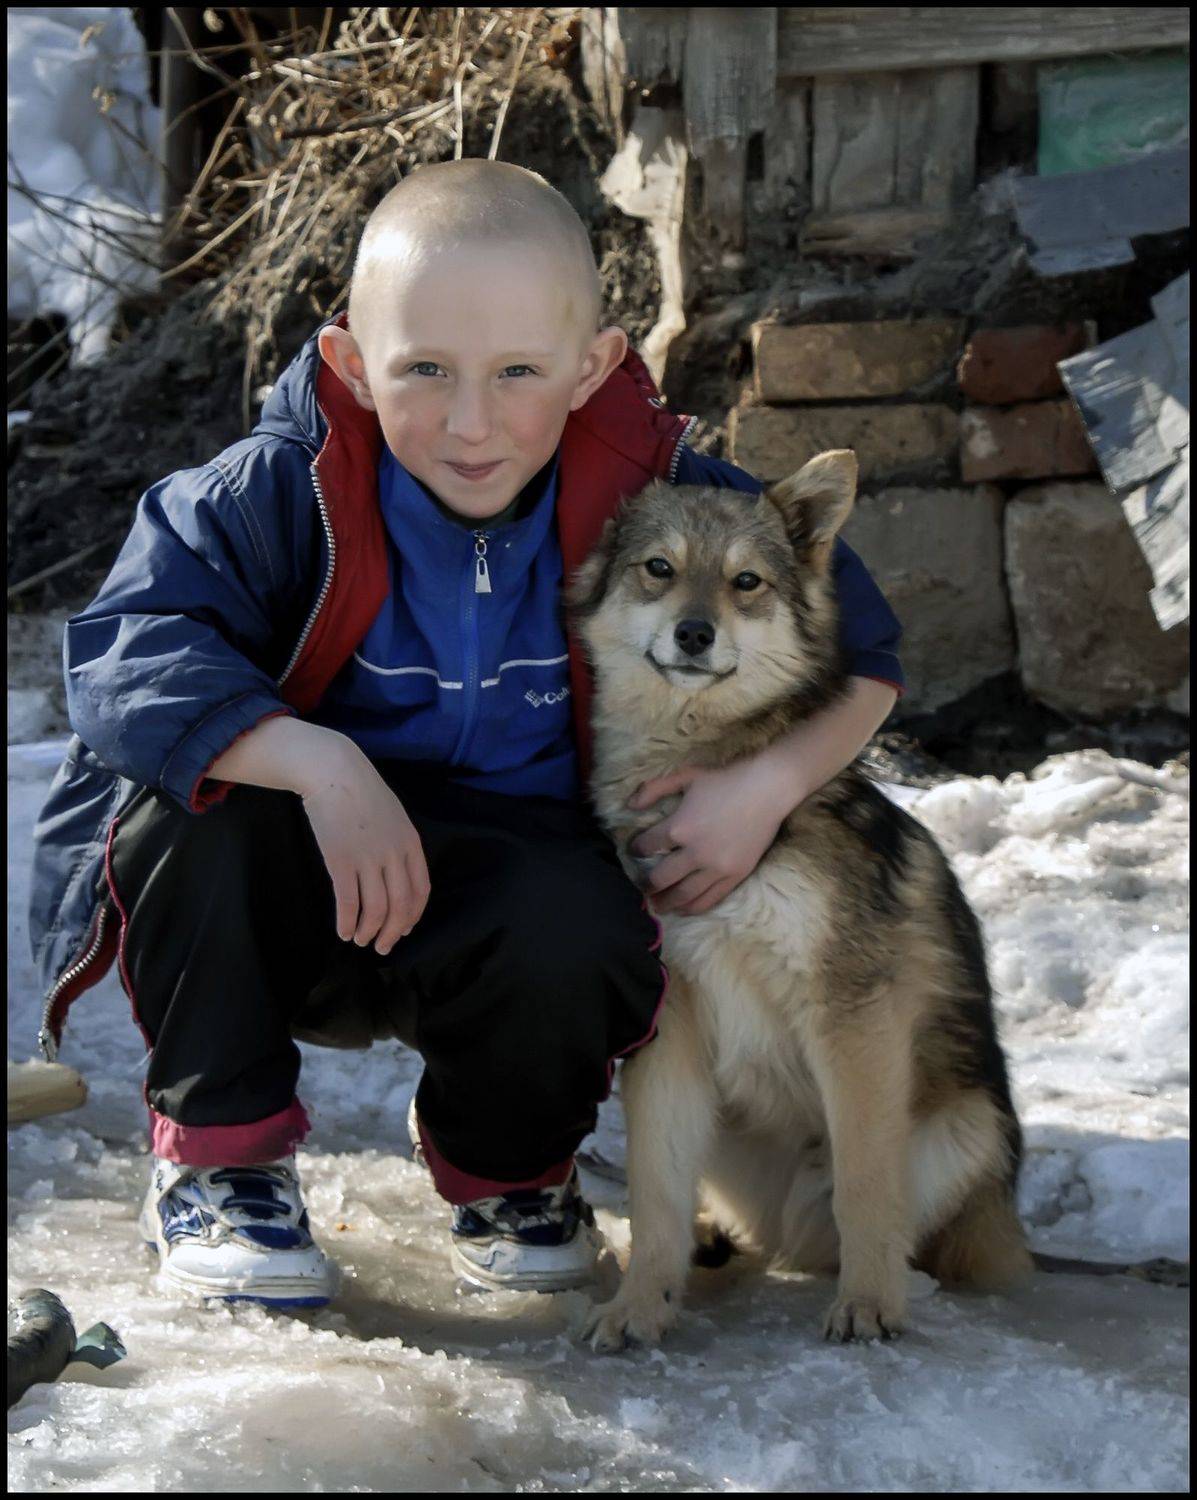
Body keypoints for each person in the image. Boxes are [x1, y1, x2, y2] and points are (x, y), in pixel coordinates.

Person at [28, 159, 904, 1308]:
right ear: (354, 362)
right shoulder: (274, 493)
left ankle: (510, 1171)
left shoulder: (661, 500)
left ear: (591, 367)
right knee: (187, 815)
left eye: (518, 373)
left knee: (588, 912)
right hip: (291, 891)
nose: (472, 421)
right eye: (426, 370)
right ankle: (220, 1162)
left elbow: (868, 652)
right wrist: (318, 761)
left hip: (507, 893)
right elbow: (124, 654)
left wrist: (763, 790)